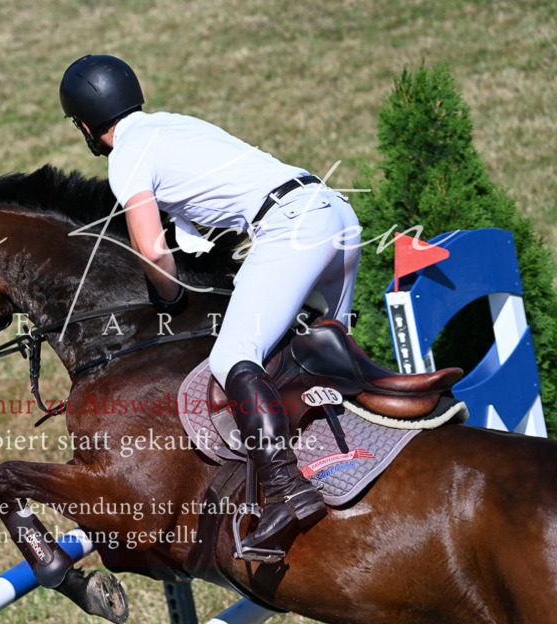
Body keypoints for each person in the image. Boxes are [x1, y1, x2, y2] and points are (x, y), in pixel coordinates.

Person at [59, 54, 362, 561]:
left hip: (292, 226)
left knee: (231, 359)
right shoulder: (174, 125)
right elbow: (196, 231)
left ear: (86, 124)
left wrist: (170, 297)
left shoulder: (126, 155)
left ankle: (287, 493)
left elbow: (154, 250)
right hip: (335, 212)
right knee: (326, 350)